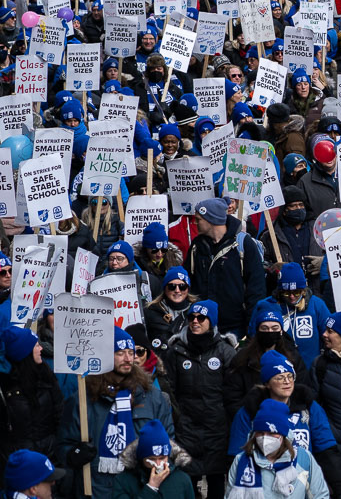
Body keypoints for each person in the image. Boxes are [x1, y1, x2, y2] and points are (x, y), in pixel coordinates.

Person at [62, 327, 176, 499]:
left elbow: (169, 444)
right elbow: (63, 444)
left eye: (130, 352)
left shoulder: (153, 397)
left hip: (140, 488)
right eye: (120, 352)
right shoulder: (84, 398)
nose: (128, 358)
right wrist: (73, 455)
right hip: (97, 489)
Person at [164, 301, 238, 499]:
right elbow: (169, 388)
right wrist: (178, 419)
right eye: (191, 318)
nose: (195, 322)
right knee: (189, 479)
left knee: (215, 479)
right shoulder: (176, 351)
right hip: (187, 426)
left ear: (211, 321)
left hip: (217, 427)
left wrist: (226, 419)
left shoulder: (225, 352)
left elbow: (233, 390)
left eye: (201, 318)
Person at [187, 198, 265, 336]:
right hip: (203, 326)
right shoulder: (196, 246)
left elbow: (256, 289)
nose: (196, 222)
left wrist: (251, 328)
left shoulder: (243, 244)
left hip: (236, 327)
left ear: (211, 220)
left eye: (199, 219)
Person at [225, 400, 330, 499]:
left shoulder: (303, 458)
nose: (265, 438)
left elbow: (320, 495)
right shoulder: (241, 461)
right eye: (260, 433)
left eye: (272, 433)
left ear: (283, 434)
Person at [0, 324, 64, 465]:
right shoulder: (5, 385)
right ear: (24, 353)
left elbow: (60, 413)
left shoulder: (46, 375)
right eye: (36, 346)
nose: (41, 348)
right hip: (17, 460)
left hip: (49, 456)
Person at [112, 420, 196, 499]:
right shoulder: (123, 481)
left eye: (162, 458)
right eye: (151, 459)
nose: (158, 463)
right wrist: (151, 488)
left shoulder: (182, 479)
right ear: (142, 458)